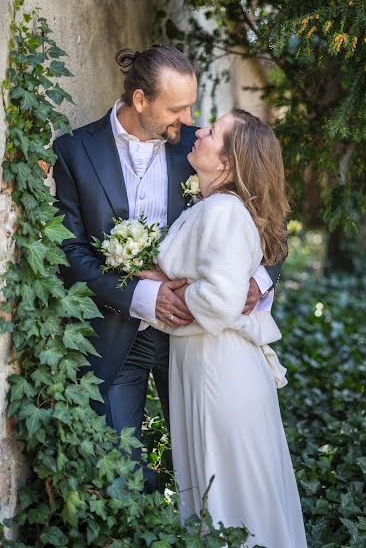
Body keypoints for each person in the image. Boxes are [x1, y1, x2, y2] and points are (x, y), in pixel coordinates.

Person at [52, 45, 282, 491]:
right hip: (119, 333)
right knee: (117, 469)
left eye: (191, 106)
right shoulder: (74, 152)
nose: (188, 117)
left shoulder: (201, 151)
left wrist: (256, 281)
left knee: (214, 469)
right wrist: (141, 295)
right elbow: (70, 250)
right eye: (177, 107)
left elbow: (269, 223)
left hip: (200, 346)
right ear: (141, 100)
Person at [139, 109, 307, 547]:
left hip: (220, 373)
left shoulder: (225, 212)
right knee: (218, 492)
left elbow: (220, 300)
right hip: (205, 366)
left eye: (212, 131)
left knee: (232, 496)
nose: (198, 130)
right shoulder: (212, 205)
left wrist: (168, 291)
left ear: (228, 162)